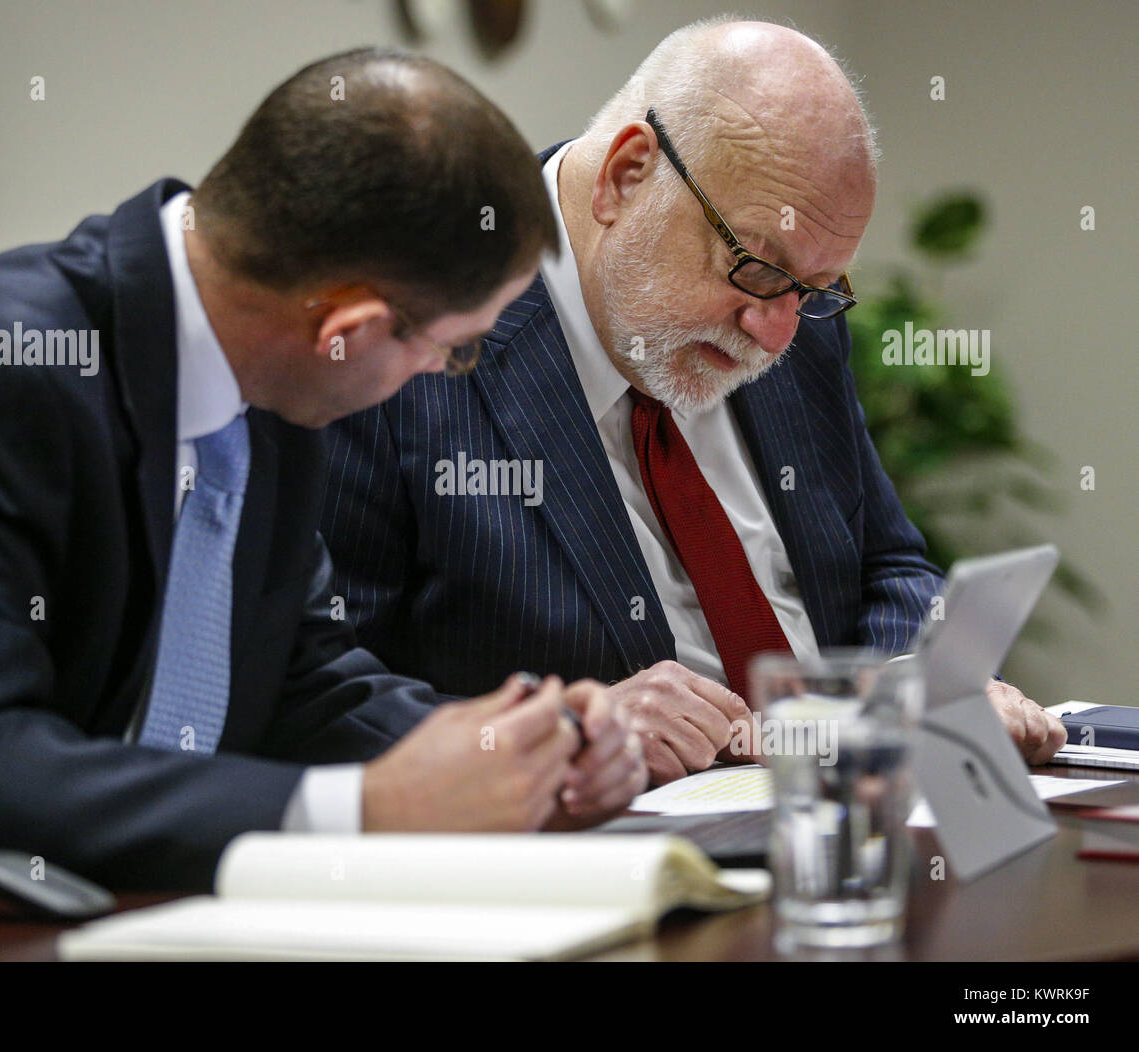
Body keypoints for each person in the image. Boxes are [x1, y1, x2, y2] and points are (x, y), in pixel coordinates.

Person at [0, 48, 647, 891]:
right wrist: (362, 811)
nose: (447, 375)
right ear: (350, 327)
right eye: (457, 349)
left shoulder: (271, 383)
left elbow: (303, 684)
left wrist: (516, 753)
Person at [320, 20, 1067, 786]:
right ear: (627, 173)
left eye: (817, 288)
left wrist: (919, 680)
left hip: (852, 816)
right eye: (752, 266)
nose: (775, 335)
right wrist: (572, 735)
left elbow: (887, 561)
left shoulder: (794, 313)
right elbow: (327, 696)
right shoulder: (407, 334)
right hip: (608, 861)